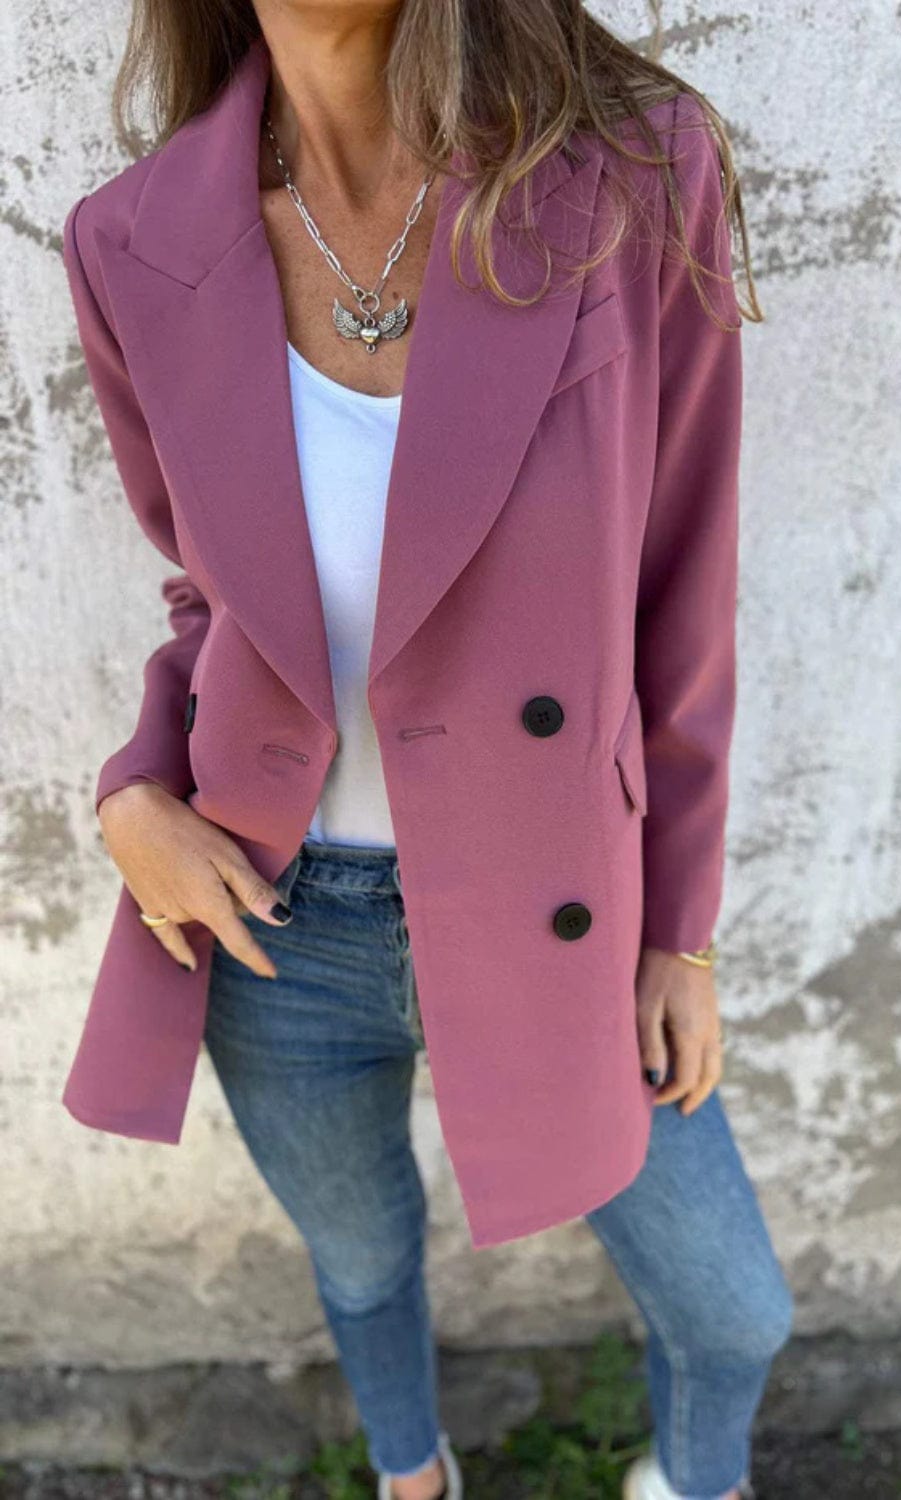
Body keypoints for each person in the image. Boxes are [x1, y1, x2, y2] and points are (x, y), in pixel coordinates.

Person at [60, 5, 793, 1497]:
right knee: (360, 1260)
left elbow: (680, 582)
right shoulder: (133, 240)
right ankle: (412, 1475)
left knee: (732, 1309)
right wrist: (135, 795)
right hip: (279, 921)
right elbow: (213, 600)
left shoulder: (631, 174)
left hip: (555, 899)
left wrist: (682, 930)